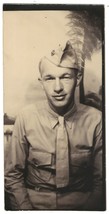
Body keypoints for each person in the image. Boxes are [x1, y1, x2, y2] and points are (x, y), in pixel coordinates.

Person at [5, 41, 103, 210]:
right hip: (34, 203)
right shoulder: (26, 117)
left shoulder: (96, 119)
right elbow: (13, 175)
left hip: (81, 205)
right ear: (41, 82)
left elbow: (102, 180)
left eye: (65, 77)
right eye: (50, 78)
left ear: (78, 79)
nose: (58, 88)